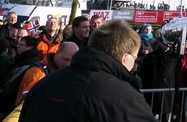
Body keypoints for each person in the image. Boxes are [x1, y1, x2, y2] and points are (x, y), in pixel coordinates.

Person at [19, 20, 157, 122]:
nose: (135, 64)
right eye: (134, 58)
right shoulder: (125, 98)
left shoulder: (45, 83)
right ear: (125, 58)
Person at [15, 41, 79, 106]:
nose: (68, 64)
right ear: (57, 53)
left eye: (72, 61)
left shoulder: (65, 73)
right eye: (66, 59)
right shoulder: (38, 72)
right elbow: (25, 103)